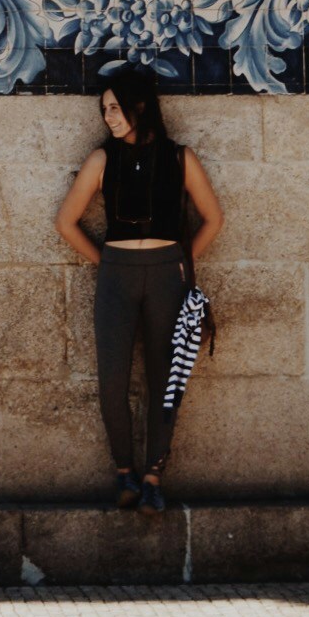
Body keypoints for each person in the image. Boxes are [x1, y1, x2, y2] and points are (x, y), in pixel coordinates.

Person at [54, 70, 223, 515]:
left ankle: (153, 475)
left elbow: (213, 219)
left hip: (168, 275)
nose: (108, 117)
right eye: (104, 110)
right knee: (112, 378)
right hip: (117, 276)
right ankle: (124, 471)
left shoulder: (180, 157)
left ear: (140, 106)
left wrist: (179, 264)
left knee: (164, 379)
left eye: (115, 107)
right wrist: (107, 263)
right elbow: (66, 222)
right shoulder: (100, 160)